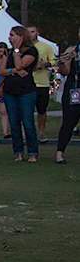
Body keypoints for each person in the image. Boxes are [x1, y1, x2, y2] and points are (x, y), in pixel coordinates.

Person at [3, 26, 40, 162]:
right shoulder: (9, 52)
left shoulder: (31, 51)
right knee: (14, 122)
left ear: (21, 36)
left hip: (26, 91)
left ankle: (32, 151)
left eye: (12, 35)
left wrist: (17, 52)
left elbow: (20, 65)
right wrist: (14, 71)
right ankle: (18, 151)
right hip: (10, 91)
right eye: (9, 35)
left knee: (27, 122)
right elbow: (3, 71)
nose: (10, 37)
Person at [26, 26, 55, 142]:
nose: (30, 34)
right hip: (27, 83)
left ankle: (41, 133)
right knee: (26, 110)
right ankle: (28, 133)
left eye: (32, 32)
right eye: (28, 32)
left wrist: (45, 64)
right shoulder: (24, 48)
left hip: (42, 83)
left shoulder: (46, 47)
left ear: (37, 32)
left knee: (42, 111)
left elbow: (53, 61)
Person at [55, 31, 78, 164]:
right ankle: (59, 153)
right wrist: (63, 62)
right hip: (74, 88)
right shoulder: (72, 50)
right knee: (69, 121)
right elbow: (65, 71)